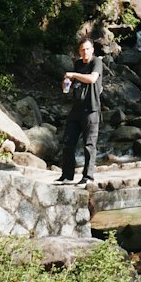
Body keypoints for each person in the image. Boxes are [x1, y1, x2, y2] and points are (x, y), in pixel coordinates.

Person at [57, 37, 103, 185]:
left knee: (89, 145)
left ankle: (88, 177)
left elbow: (92, 79)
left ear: (92, 50)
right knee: (68, 142)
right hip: (76, 109)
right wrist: (67, 83)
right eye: (82, 50)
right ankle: (67, 175)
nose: (85, 52)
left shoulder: (97, 62)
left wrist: (74, 75)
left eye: (87, 49)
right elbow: (72, 84)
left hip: (91, 109)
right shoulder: (77, 64)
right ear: (79, 51)